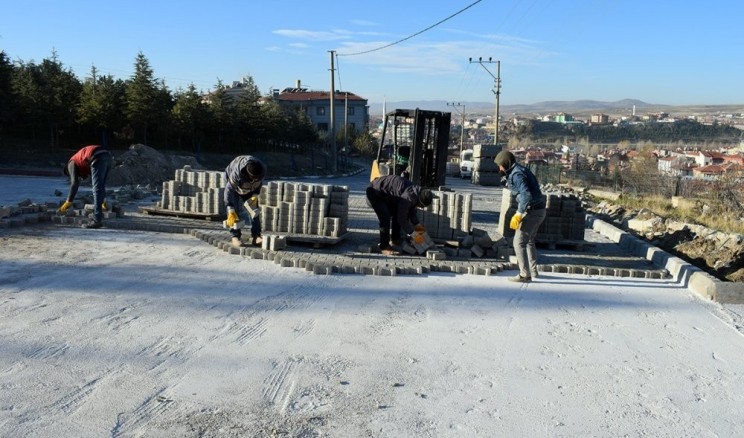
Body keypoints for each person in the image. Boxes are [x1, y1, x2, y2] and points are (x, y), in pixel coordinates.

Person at [495, 150, 547, 282]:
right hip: (540, 210)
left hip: (533, 211)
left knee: (518, 242)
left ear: (506, 163)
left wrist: (518, 214)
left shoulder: (517, 174)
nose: (499, 168)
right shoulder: (517, 170)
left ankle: (524, 274)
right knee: (529, 241)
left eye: (500, 165)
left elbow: (526, 195)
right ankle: (533, 271)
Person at [366, 174, 436, 255]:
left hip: (386, 194)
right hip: (375, 192)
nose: (421, 208)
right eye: (422, 206)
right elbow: (402, 219)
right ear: (420, 202)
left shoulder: (416, 193)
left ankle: (395, 239)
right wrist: (414, 235)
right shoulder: (408, 197)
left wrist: (420, 231)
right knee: (385, 217)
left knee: (397, 212)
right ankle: (384, 246)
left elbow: (412, 215)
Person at [57, 145, 112, 229]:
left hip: (97, 156)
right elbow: (100, 185)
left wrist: (68, 201)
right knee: (100, 185)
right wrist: (103, 199)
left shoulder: (71, 163)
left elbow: (74, 182)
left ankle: (96, 220)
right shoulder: (83, 165)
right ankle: (102, 206)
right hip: (107, 156)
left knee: (96, 189)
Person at [224, 155, 266, 248]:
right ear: (249, 175)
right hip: (234, 188)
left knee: (254, 211)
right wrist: (230, 207)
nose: (256, 180)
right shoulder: (237, 174)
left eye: (257, 179)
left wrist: (255, 195)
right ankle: (235, 236)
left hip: (249, 189)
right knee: (234, 211)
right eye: (253, 179)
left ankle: (256, 236)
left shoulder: (261, 170)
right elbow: (228, 191)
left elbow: (259, 184)